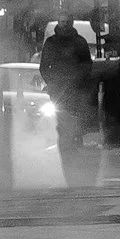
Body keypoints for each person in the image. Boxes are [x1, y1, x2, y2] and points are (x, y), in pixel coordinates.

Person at [39, 15, 95, 163]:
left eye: (66, 22)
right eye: (62, 22)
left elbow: (87, 65)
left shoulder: (79, 42)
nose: (64, 25)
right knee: (61, 119)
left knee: (73, 118)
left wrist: (79, 80)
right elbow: (44, 66)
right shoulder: (51, 43)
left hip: (74, 89)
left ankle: (73, 143)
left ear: (70, 23)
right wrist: (52, 82)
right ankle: (67, 146)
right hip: (59, 90)